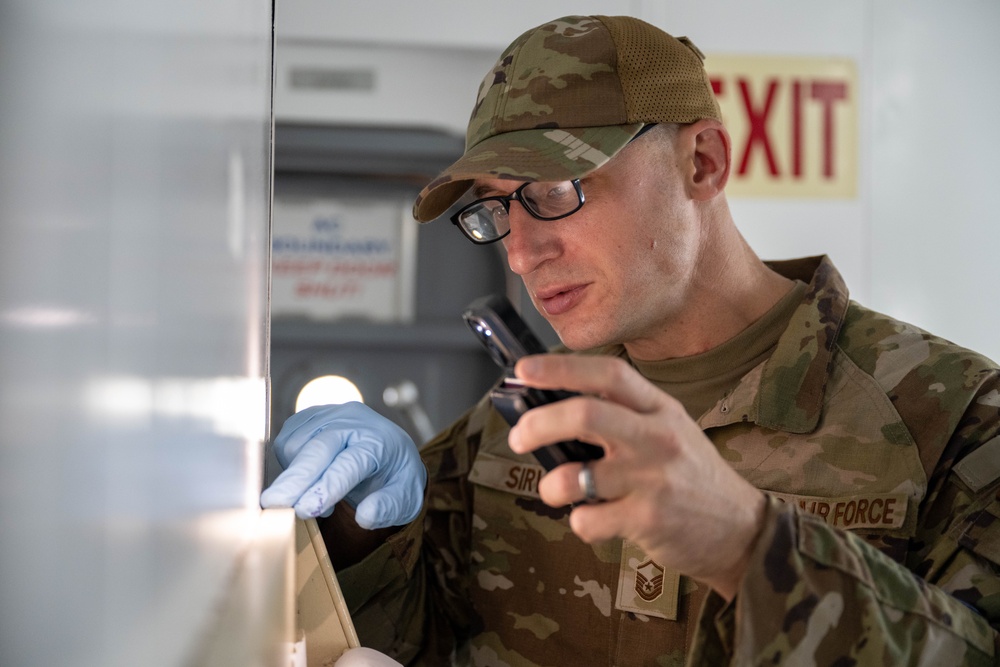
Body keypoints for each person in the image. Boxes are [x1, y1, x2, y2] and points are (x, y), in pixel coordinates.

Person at [262, 14, 1000, 666]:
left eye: (550, 193)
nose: (519, 253)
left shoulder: (956, 419)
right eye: (494, 211)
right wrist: (358, 532)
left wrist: (751, 549)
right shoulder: (517, 420)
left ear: (702, 162)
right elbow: (412, 635)